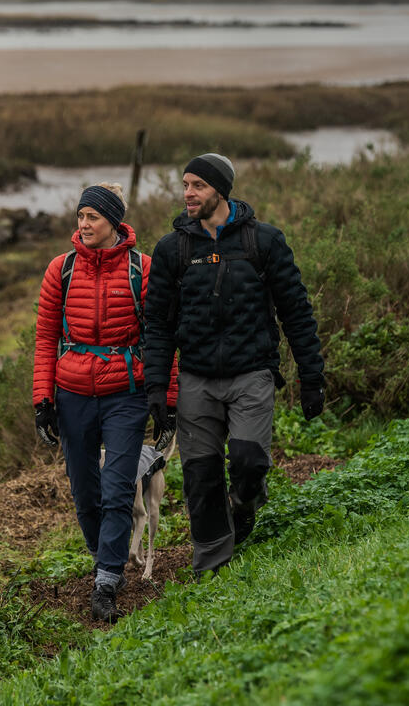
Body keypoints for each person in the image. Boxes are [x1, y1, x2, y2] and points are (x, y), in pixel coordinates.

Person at [144, 153, 325, 576]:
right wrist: (157, 387)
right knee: (200, 475)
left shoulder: (263, 242)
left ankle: (244, 506)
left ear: (220, 191)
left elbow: (295, 311)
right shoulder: (173, 249)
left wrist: (311, 376)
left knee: (249, 461)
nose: (188, 194)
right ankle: (210, 569)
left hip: (252, 374)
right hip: (196, 379)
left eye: (198, 186)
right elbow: (156, 324)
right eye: (185, 185)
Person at [33, 183, 176, 622]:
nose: (84, 224)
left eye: (92, 217)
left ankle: (106, 582)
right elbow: (45, 338)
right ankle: (105, 557)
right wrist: (43, 399)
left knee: (117, 489)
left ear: (113, 222)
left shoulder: (143, 269)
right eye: (80, 216)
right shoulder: (62, 269)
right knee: (84, 491)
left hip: (126, 396)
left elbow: (163, 338)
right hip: (72, 394)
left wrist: (166, 401)